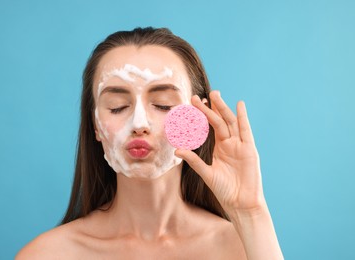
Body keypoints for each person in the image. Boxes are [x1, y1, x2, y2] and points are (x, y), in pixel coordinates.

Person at [16, 27, 283, 259]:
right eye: (117, 107)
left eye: (162, 104)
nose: (139, 123)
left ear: (198, 118)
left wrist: (250, 212)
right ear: (95, 124)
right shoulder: (48, 254)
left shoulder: (244, 249)